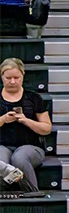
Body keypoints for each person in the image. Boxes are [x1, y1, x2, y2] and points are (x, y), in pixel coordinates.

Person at [0, 56, 49, 192]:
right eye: (8, 78)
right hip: (3, 145)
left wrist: (27, 121)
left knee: (19, 158)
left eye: (17, 77)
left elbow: (46, 129)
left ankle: (32, 195)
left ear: (23, 76)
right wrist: (3, 120)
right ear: (2, 77)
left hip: (31, 146)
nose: (12, 81)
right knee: (1, 161)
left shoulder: (33, 98)